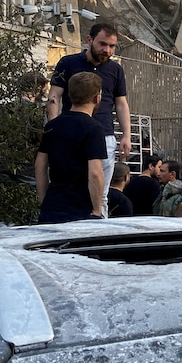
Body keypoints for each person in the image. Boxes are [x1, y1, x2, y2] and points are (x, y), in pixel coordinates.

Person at [47, 23, 130, 217]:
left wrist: (126, 135)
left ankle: (97, 233)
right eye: (102, 44)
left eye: (111, 46)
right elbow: (54, 97)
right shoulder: (68, 63)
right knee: (68, 186)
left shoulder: (115, 70)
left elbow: (121, 103)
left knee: (101, 195)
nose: (107, 50)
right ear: (89, 40)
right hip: (72, 134)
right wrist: (53, 127)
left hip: (104, 135)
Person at [35, 72, 107, 223]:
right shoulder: (94, 129)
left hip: (52, 205)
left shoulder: (52, 126)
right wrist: (96, 210)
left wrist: (44, 201)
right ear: (97, 98)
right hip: (81, 210)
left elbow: (40, 166)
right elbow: (95, 173)